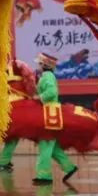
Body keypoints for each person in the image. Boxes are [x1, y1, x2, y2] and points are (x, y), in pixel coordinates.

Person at [32, 53, 78, 186]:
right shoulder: (47, 76)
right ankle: (69, 167)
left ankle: (44, 176)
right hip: (50, 114)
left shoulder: (47, 76)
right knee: (52, 146)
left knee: (45, 145)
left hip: (50, 115)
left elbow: (51, 92)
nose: (38, 66)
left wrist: (38, 97)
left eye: (39, 63)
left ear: (44, 65)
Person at [0, 58, 37, 172]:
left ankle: (5, 161)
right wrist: (31, 94)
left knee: (13, 135)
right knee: (15, 136)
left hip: (5, 105)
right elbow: (30, 81)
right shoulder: (20, 65)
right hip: (19, 106)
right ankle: (3, 162)